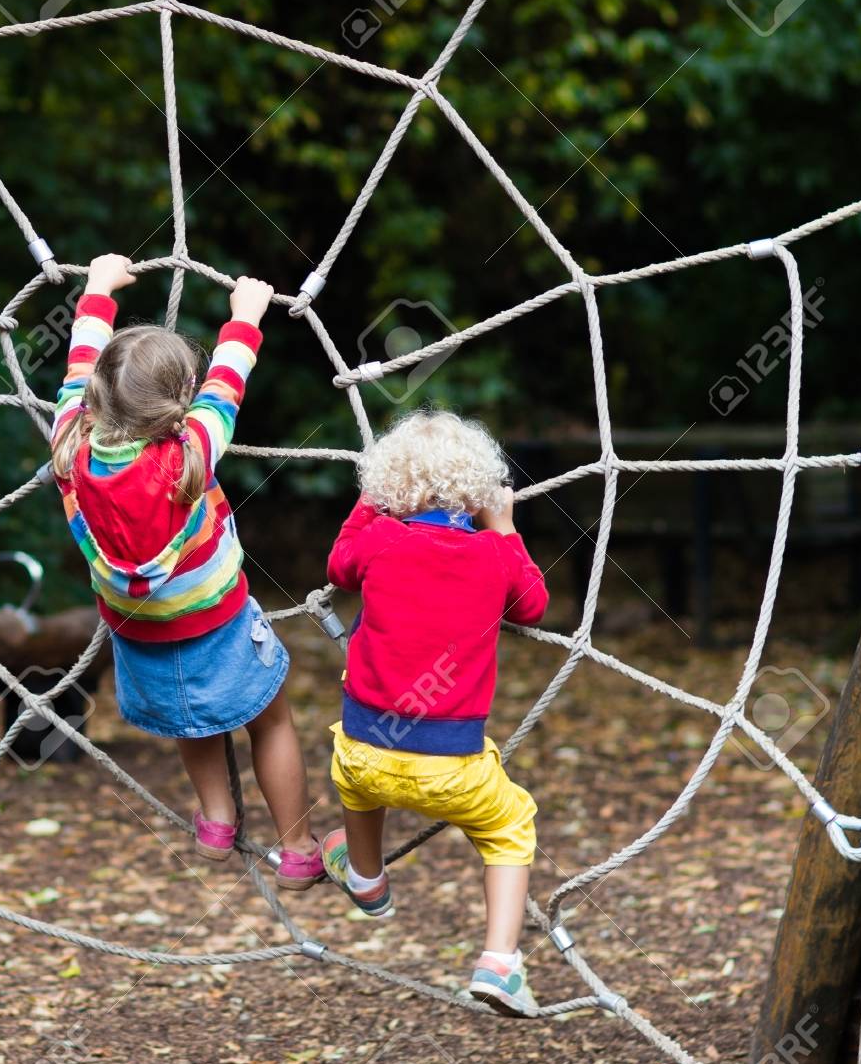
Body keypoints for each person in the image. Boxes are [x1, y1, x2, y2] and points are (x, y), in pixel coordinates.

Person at [49, 254, 322, 887]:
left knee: (191, 721)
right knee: (271, 721)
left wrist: (96, 289)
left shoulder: (69, 446)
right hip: (218, 626)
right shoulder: (190, 451)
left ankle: (217, 820)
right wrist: (246, 316)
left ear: (94, 399)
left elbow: (78, 364)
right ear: (181, 400)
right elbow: (227, 381)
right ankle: (299, 848)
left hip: (138, 633)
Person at [320, 410, 548, 1014]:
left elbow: (338, 565)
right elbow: (532, 606)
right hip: (452, 767)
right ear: (477, 491)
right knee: (511, 826)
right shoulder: (493, 554)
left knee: (355, 782)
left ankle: (367, 877)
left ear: (390, 489)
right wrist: (505, 527)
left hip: (364, 750)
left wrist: (368, 505)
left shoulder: (379, 538)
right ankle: (499, 963)